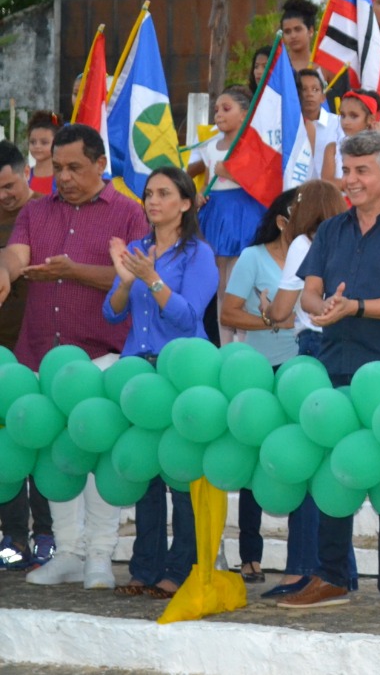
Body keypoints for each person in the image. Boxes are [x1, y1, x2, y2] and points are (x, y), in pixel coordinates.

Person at [278, 131, 380, 615]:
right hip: (332, 365)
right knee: (334, 471)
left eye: (362, 170)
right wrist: (321, 308)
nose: (351, 180)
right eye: (346, 170)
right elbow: (309, 292)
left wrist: (355, 307)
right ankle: (331, 576)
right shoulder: (330, 230)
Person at [0, 124, 148, 590]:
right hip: (41, 356)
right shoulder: (36, 211)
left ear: (101, 165)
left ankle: (99, 556)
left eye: (74, 168)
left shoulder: (130, 213)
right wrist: (5, 271)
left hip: (103, 355)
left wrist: (75, 271)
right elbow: (16, 255)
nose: (63, 177)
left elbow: (134, 280)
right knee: (56, 458)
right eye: (58, 167)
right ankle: (66, 552)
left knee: (97, 455)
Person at [104, 166, 217, 600]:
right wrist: (126, 281)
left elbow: (188, 318)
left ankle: (180, 568)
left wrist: (152, 280)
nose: (152, 201)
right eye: (149, 193)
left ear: (185, 203)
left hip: (181, 373)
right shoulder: (136, 249)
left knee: (180, 472)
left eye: (164, 193)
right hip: (138, 371)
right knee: (145, 472)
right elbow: (112, 312)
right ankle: (144, 568)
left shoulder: (198, 254)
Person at [261, 179, 348, 598]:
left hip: (312, 348)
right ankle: (337, 570)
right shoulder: (346, 239)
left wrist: (267, 310)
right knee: (331, 466)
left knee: (306, 463)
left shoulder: (301, 244)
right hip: (343, 348)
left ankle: (302, 570)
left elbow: (283, 310)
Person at [220, 189, 300, 584]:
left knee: (299, 456)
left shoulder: (315, 256)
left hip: (302, 370)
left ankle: (303, 559)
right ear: (283, 222)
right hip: (258, 370)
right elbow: (229, 313)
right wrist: (272, 321)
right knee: (255, 459)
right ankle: (250, 554)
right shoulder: (252, 258)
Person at [0, 141, 53, 572]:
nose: (3, 196)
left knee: (40, 440)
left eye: (8, 186)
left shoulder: (44, 215)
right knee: (7, 448)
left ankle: (48, 535)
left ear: (26, 174)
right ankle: (14, 536)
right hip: (1, 356)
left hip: (39, 349)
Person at [187, 85, 269, 345]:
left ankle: (242, 342)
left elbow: (260, 180)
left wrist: (231, 172)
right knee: (220, 282)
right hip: (217, 213)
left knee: (239, 281)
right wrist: (199, 195)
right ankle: (225, 343)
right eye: (216, 110)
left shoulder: (252, 145)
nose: (218, 115)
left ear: (244, 114)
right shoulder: (210, 146)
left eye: (226, 109)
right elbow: (208, 182)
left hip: (243, 213)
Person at [323, 90, 380, 189]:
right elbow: (327, 183)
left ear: (370, 119)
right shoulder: (333, 148)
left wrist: (378, 139)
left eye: (353, 116)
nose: (346, 122)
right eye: (343, 115)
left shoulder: (379, 148)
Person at [298, 68, 340, 184]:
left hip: (330, 190)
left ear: (323, 97)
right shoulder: (289, 125)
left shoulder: (338, 124)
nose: (309, 94)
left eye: (315, 89)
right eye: (304, 89)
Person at [281, 0, 320, 75]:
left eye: (298, 29)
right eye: (287, 31)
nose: (293, 36)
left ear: (310, 31)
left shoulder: (323, 67)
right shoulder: (277, 66)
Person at [25, 111, 58, 196]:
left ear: (57, 143)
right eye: (33, 142)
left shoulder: (62, 176)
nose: (37, 146)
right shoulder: (24, 176)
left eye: (44, 142)